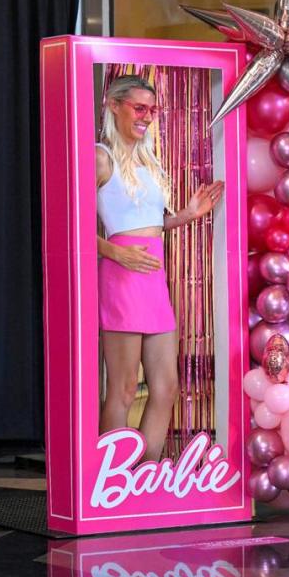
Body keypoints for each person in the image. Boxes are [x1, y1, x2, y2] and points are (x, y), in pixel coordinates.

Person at [96, 75, 224, 463]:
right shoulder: (99, 156)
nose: (147, 117)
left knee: (166, 387)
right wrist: (115, 254)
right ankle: (110, 476)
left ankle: (144, 476)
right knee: (121, 390)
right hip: (121, 277)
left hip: (152, 277)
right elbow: (68, 226)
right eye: (139, 108)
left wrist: (187, 215)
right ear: (113, 105)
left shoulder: (146, 158)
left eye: (152, 110)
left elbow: (150, 221)